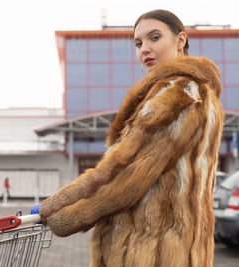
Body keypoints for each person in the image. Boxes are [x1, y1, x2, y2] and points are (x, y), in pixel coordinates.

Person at [37, 9, 224, 267]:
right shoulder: (198, 94)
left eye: (154, 38)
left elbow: (128, 174)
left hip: (152, 250)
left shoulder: (181, 94)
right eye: (138, 43)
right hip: (175, 247)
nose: (144, 49)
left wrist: (65, 214)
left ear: (181, 40)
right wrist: (55, 206)